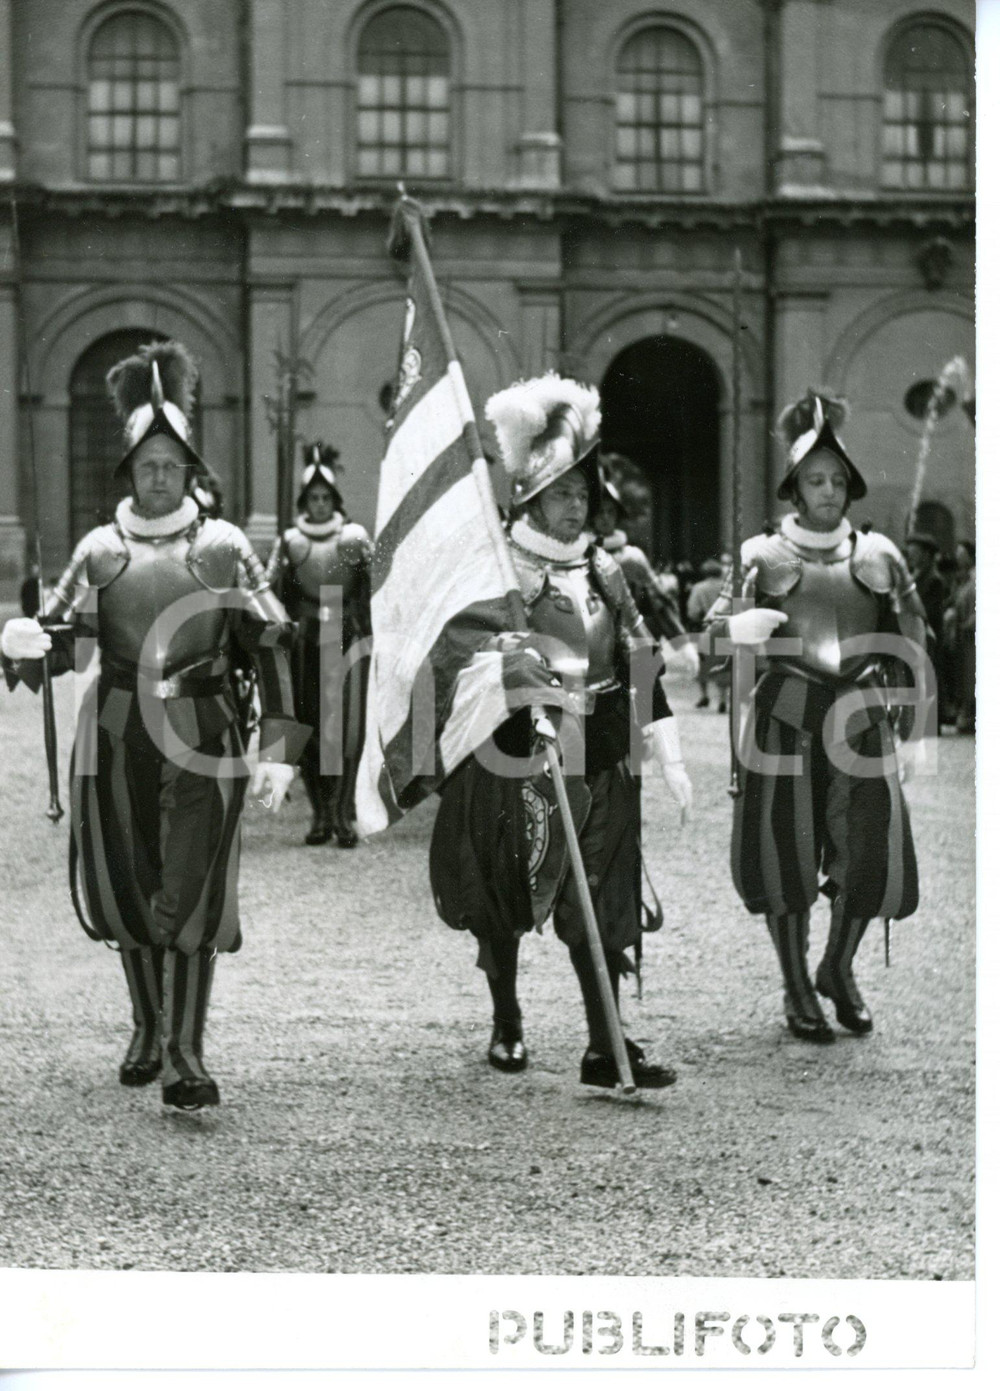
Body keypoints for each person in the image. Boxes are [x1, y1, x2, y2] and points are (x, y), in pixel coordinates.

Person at [1, 341, 307, 1110]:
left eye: (173, 463)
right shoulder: (99, 550)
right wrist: (25, 641)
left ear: (191, 470)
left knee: (194, 884)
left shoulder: (226, 546)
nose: (161, 474)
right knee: (130, 879)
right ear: (130, 471)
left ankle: (186, 1050)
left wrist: (281, 748)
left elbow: (273, 641)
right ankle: (145, 1024)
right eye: (148, 463)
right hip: (115, 724)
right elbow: (60, 643)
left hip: (203, 722)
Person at [430, 373, 694, 1089]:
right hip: (517, 751)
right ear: (531, 497)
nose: (575, 507)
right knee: (505, 888)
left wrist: (666, 748)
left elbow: (641, 658)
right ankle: (507, 1017)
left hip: (600, 742)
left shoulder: (607, 569)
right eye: (562, 494)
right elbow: (462, 654)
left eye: (583, 495)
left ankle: (606, 1042)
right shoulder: (503, 571)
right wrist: (514, 679)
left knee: (603, 897)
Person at [706, 391, 927, 1043]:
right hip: (787, 717)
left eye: (836, 480)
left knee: (868, 854)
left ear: (850, 486)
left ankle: (837, 967)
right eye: (814, 480)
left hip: (862, 718)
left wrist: (913, 724)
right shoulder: (761, 554)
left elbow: (913, 640)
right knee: (786, 857)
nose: (827, 490)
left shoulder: (882, 554)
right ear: (795, 489)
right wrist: (735, 628)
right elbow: (712, 642)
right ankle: (796, 983)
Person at [266, 444, 372, 847]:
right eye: (314, 497)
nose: (321, 504)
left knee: (347, 729)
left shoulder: (355, 537)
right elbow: (270, 589)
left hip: (346, 639)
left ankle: (344, 812)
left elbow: (374, 585)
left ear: (336, 500)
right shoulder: (291, 541)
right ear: (304, 501)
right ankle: (320, 814)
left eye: (327, 497)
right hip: (306, 642)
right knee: (309, 726)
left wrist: (367, 625)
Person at [905, 531, 947, 733]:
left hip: (928, 638)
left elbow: (931, 612)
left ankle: (931, 724)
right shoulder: (915, 576)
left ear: (927, 555)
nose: (911, 556)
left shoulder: (934, 580)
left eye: (915, 552)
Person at [685, 558, 728, 712]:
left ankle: (704, 696)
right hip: (725, 629)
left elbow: (693, 611)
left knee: (703, 663)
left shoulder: (699, 588)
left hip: (706, 630)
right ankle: (723, 699)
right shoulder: (726, 586)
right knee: (722, 664)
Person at [945, 540, 975, 733]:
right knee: (962, 674)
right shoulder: (960, 579)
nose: (958, 556)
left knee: (971, 673)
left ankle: (970, 714)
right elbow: (954, 600)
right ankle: (965, 712)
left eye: (962, 553)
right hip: (961, 635)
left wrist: (968, 623)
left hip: (970, 634)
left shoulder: (975, 578)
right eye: (957, 552)